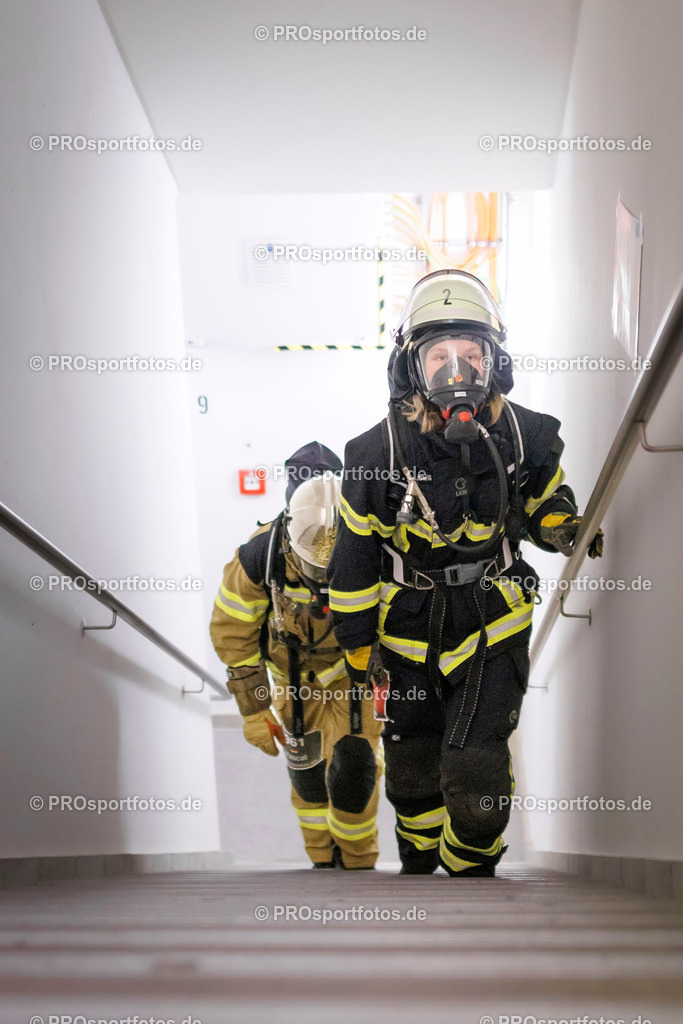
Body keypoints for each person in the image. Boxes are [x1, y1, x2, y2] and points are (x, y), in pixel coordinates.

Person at [328, 270, 603, 877]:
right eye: (440, 357)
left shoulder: (524, 435)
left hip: (493, 619)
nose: (457, 373)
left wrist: (558, 524)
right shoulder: (374, 456)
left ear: (494, 363)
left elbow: (541, 495)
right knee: (412, 763)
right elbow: (353, 562)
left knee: (476, 763)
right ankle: (420, 860)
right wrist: (357, 651)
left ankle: (472, 872)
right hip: (406, 629)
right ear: (411, 369)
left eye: (471, 356)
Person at [209, 442, 383, 869]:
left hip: (352, 680)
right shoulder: (259, 558)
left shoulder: (369, 542)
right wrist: (254, 710)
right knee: (307, 780)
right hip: (296, 686)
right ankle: (322, 861)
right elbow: (234, 636)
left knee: (355, 771)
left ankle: (358, 862)